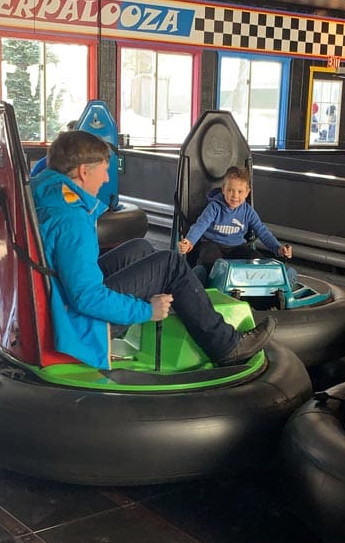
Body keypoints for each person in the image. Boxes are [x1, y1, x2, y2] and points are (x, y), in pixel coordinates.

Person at [30, 130, 274, 368]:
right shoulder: (71, 220)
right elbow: (87, 297)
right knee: (172, 264)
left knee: (140, 248)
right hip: (76, 323)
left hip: (59, 298)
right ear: (84, 171)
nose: (106, 179)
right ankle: (226, 346)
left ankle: (182, 316)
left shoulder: (48, 190)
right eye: (104, 170)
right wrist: (147, 310)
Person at [177, 165, 292, 273]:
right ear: (223, 190)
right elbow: (200, 226)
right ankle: (202, 280)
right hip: (212, 245)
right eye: (230, 190)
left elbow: (262, 232)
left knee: (255, 258)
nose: (235, 196)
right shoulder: (214, 207)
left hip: (237, 248)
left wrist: (278, 249)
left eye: (240, 191)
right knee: (209, 259)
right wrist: (189, 241)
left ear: (247, 192)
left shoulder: (248, 211)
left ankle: (266, 280)